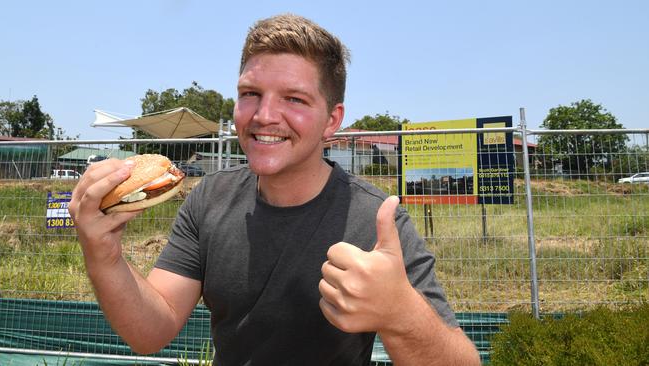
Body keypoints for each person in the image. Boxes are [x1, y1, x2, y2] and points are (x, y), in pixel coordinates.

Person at [69, 14, 480, 366]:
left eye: (295, 99)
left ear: (331, 120)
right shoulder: (208, 199)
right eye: (250, 94)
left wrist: (401, 313)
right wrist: (103, 254)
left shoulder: (376, 221)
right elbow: (150, 331)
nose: (264, 116)